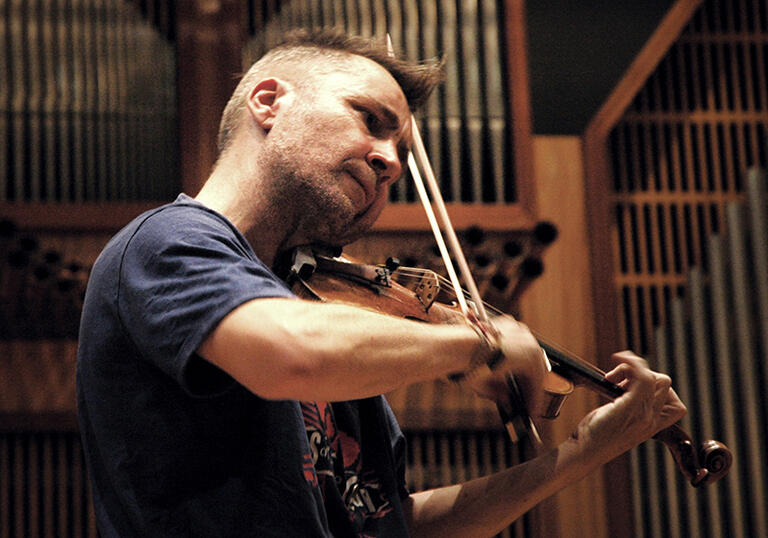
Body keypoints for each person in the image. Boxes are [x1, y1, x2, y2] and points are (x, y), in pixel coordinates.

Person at [76, 29, 686, 537]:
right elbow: (292, 353)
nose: (391, 159)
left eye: (400, 147)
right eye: (369, 119)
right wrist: (481, 342)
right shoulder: (169, 243)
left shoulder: (321, 304)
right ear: (268, 101)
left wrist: (578, 456)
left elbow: (387, 524)